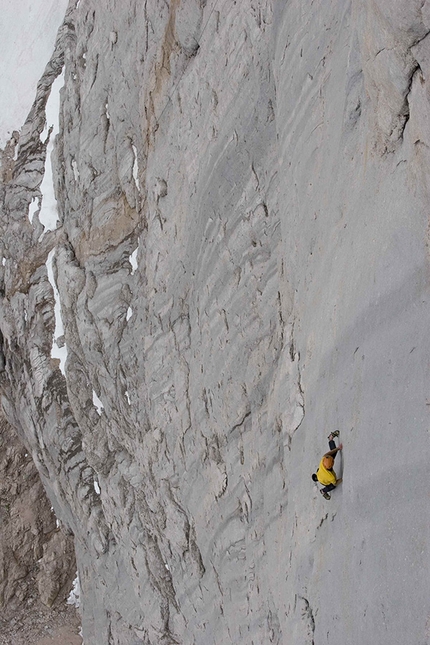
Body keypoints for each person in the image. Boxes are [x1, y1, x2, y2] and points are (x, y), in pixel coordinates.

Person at [312, 431, 343, 499]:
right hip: (323, 480)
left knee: (334, 451)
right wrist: (343, 479)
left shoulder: (324, 459)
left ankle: (330, 438)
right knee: (332, 486)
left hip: (320, 472)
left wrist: (338, 448)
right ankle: (323, 491)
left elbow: (330, 453)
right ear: (331, 466)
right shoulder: (331, 477)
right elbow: (335, 483)